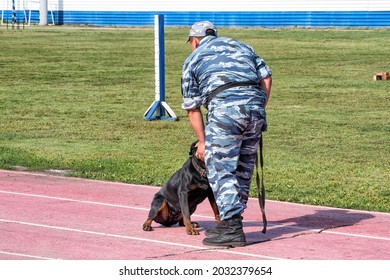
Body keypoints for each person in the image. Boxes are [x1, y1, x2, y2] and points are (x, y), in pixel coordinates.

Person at [181, 21, 272, 247]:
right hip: (255, 111)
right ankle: (233, 222)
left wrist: (202, 142)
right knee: (243, 169)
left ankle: (231, 227)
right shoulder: (242, 46)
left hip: (225, 113)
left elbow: (192, 108)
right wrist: (257, 106)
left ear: (195, 40)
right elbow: (266, 78)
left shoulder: (193, 59)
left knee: (221, 170)